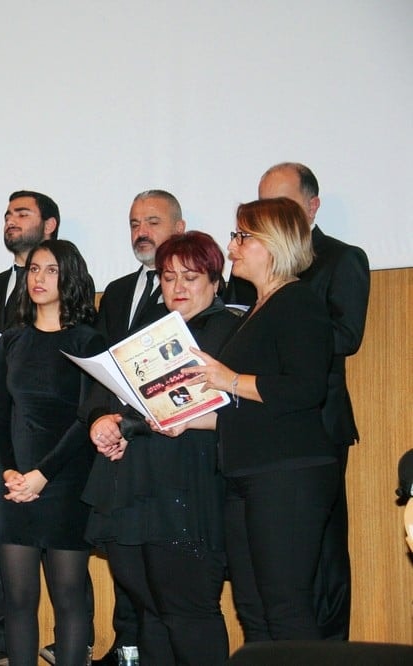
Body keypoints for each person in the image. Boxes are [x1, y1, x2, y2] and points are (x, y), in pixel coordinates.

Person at [180, 198, 335, 641]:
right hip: (247, 474)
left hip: (288, 474)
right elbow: (246, 408)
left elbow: (305, 389)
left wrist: (228, 378)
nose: (232, 247)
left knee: (285, 607)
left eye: (241, 236)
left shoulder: (298, 302)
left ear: (273, 243)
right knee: (252, 608)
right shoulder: (257, 309)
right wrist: (189, 421)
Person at [84, 232, 240, 665]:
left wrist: (186, 418)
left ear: (215, 280)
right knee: (149, 612)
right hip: (134, 481)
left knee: (188, 610)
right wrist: (104, 422)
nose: (178, 287)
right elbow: (105, 390)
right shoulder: (149, 330)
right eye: (169, 277)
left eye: (190, 277)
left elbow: (246, 412)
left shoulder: (230, 331)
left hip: (188, 485)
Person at [256, 162, 369, 641]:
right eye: (264, 205)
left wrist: (290, 329)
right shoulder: (257, 265)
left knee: (321, 548)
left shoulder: (341, 258)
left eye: (282, 204)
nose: (271, 214)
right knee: (272, 556)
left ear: (312, 206)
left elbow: (347, 336)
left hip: (318, 423)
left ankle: (330, 649)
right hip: (265, 423)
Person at [0, 239, 105, 666]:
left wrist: (42, 475)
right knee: (17, 600)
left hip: (65, 481)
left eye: (51, 270)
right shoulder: (12, 341)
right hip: (15, 485)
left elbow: (85, 420)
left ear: (70, 276)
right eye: (34, 269)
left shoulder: (89, 341)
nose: (38, 278)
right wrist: (10, 474)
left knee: (69, 598)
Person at [89, 189, 187, 666]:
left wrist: (130, 423)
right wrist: (102, 421)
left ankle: (149, 647)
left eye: (152, 221)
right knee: (121, 545)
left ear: (179, 228)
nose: (141, 232)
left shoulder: (198, 287)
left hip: (162, 440)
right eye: (133, 223)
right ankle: (126, 645)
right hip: (115, 439)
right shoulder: (118, 290)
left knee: (153, 554)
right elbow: (103, 364)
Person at [0, 190, 60, 666]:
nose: (10, 220)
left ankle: (70, 637)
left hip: (50, 437)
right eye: (7, 213)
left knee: (61, 543)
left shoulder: (67, 290)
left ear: (49, 226)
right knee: (0, 540)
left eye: (21, 213)